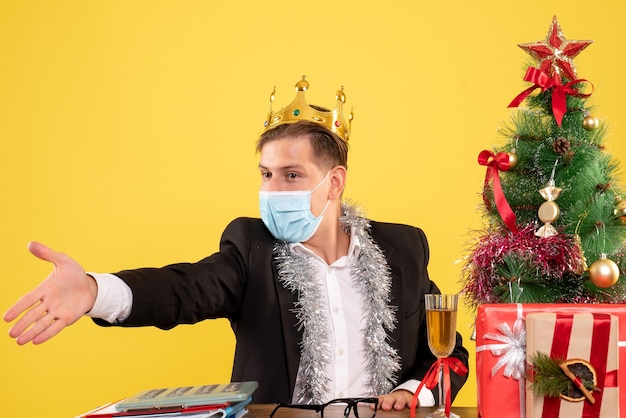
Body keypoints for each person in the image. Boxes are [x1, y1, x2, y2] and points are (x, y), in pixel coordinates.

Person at [4, 77, 468, 410]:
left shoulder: (403, 248)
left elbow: (450, 357)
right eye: (266, 175)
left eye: (292, 176)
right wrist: (94, 291)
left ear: (334, 182)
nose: (274, 191)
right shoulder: (251, 246)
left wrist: (415, 392)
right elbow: (182, 289)